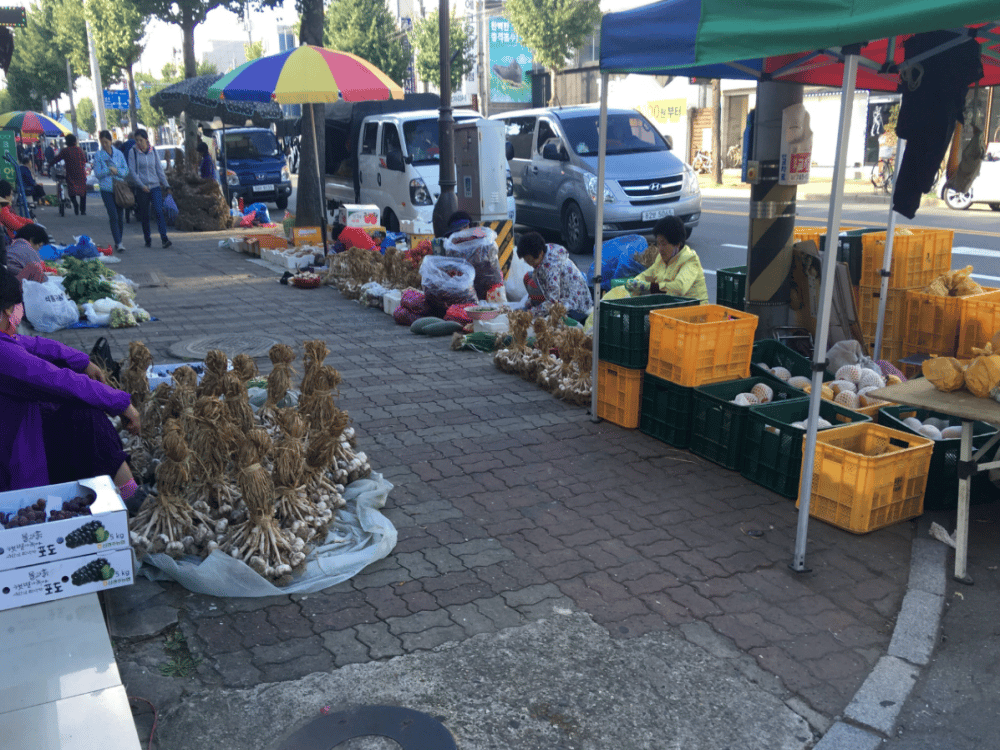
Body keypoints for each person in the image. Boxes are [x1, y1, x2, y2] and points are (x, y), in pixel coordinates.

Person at [0, 268, 143, 497]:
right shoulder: (3, 354)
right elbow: (56, 380)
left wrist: (81, 361)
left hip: (18, 441)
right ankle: (131, 495)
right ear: (8, 310)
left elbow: (35, 345)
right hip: (13, 470)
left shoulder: (6, 342)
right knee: (87, 418)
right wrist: (119, 402)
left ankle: (128, 489)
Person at [626, 216, 708, 302]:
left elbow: (679, 288)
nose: (660, 249)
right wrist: (635, 281)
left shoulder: (690, 260)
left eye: (664, 244)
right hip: (670, 308)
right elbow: (647, 275)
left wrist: (649, 287)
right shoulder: (661, 259)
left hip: (695, 311)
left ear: (677, 244)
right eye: (658, 244)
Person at [516, 231, 593, 321]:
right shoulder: (546, 250)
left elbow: (552, 302)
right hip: (563, 296)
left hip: (576, 305)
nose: (530, 264)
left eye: (531, 261)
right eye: (527, 261)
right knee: (529, 277)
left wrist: (531, 314)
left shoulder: (551, 267)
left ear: (540, 253)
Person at [127, 129, 172, 249]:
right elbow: (132, 171)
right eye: (137, 140)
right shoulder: (133, 152)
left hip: (155, 186)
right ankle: (147, 238)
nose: (139, 143)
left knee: (158, 211)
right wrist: (142, 185)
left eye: (141, 140)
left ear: (146, 139)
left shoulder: (153, 151)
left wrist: (166, 185)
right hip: (142, 188)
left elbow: (159, 169)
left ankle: (164, 238)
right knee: (145, 214)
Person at [92, 129, 130, 253]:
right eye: (102, 142)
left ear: (110, 141)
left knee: (120, 216)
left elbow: (125, 171)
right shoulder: (98, 155)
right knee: (113, 215)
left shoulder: (119, 153)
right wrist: (109, 170)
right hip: (106, 189)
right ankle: (118, 242)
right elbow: (98, 173)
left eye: (106, 142)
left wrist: (117, 171)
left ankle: (119, 239)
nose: (104, 145)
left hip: (119, 188)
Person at [49, 134, 89, 216]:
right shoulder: (79, 150)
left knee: (71, 191)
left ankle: (75, 204)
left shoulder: (65, 151)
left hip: (71, 173)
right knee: (83, 192)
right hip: (81, 174)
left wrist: (49, 164)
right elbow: (84, 160)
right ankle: (83, 210)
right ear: (75, 141)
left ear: (67, 142)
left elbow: (57, 159)